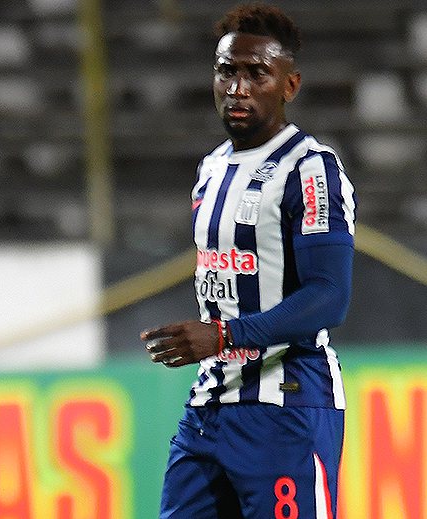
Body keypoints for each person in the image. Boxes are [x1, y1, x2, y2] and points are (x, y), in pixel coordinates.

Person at [141, 4, 356, 518]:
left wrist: (223, 336)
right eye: (226, 72)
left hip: (286, 406)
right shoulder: (211, 169)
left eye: (257, 74)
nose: (238, 88)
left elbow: (330, 296)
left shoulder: (311, 169)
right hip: (210, 406)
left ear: (289, 85)